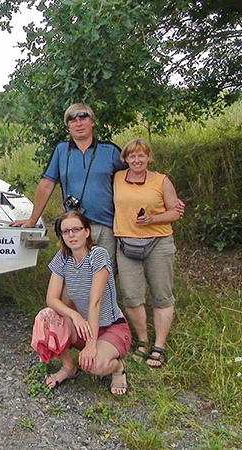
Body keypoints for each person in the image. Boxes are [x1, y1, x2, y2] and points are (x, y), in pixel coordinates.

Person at [12, 104, 126, 265]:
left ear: (92, 122)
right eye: (72, 120)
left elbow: (131, 180)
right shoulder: (61, 150)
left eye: (83, 117)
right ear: (68, 126)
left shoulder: (110, 150)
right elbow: (47, 184)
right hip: (74, 227)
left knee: (105, 274)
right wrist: (32, 220)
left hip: (105, 226)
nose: (78, 123)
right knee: (76, 274)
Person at [32, 211, 131, 396]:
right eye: (66, 231)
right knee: (46, 317)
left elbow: (95, 302)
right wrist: (75, 315)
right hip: (83, 325)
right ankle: (69, 367)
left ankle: (118, 367)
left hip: (110, 326)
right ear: (61, 236)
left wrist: (91, 345)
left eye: (76, 229)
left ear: (87, 232)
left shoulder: (98, 255)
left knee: (95, 365)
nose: (71, 235)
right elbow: (51, 299)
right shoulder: (62, 258)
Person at [113, 138, 181, 368]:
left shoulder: (161, 181)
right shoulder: (117, 178)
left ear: (149, 157)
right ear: (125, 159)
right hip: (126, 243)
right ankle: (142, 342)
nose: (137, 160)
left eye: (141, 155)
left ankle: (159, 346)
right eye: (132, 156)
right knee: (132, 297)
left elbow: (175, 212)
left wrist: (153, 219)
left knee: (161, 295)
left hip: (158, 243)